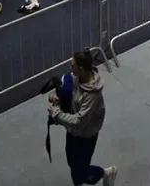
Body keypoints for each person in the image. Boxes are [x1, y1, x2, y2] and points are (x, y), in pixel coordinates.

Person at [48, 49, 117, 186]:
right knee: (71, 162)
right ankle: (100, 173)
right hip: (73, 132)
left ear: (81, 69)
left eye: (72, 65)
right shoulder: (75, 78)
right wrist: (55, 98)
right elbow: (61, 94)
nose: (70, 66)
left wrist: (56, 114)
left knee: (78, 175)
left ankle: (106, 173)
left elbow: (80, 121)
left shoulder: (92, 95)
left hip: (86, 136)